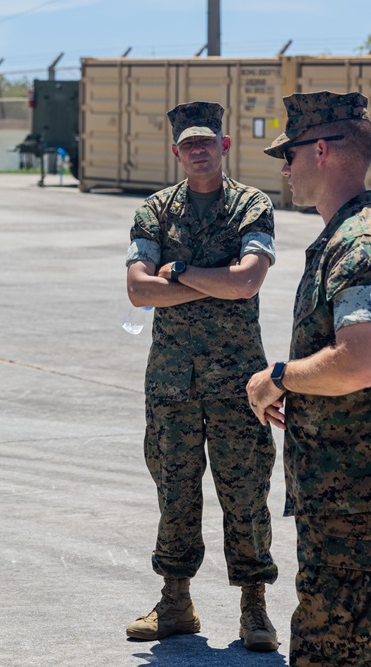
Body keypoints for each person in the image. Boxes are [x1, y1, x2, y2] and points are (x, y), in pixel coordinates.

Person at [124, 101, 279, 651]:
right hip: (171, 383)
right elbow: (140, 291)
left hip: (239, 383)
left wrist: (182, 272)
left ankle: (254, 607)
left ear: (225, 145)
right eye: (188, 144)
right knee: (175, 493)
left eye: (206, 141)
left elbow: (249, 282)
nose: (198, 150)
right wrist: (220, 282)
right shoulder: (155, 211)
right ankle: (175, 602)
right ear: (176, 152)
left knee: (245, 493)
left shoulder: (251, 206)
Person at [246, 91, 371, 666]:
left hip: (352, 503)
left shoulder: (357, 244)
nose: (284, 168)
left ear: (319, 150)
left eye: (288, 154)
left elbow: (358, 360)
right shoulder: (344, 238)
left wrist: (279, 377)